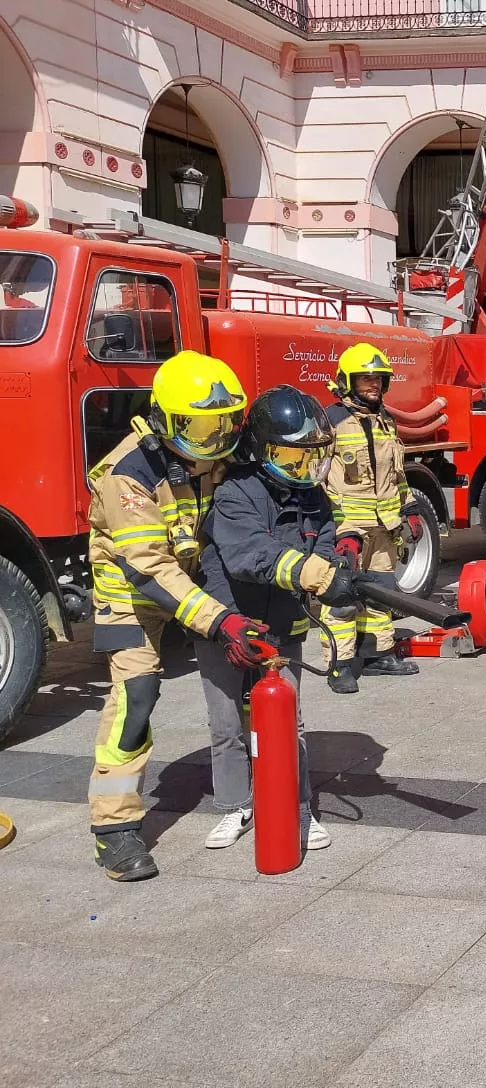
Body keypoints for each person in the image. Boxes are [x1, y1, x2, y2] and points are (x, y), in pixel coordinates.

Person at [84, 351, 268, 882]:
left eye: (223, 423)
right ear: (166, 419)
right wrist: (220, 620)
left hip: (194, 579)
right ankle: (114, 831)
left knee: (250, 675)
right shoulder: (127, 474)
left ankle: (258, 785)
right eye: (201, 426)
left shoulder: (213, 453)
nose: (215, 440)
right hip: (133, 590)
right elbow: (148, 569)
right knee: (135, 696)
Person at [197, 386, 359, 853]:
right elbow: (251, 554)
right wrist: (312, 571)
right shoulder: (235, 493)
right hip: (226, 620)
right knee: (227, 721)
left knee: (289, 721)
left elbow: (324, 539)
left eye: (309, 458)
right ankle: (235, 807)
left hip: (283, 621)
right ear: (262, 449)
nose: (302, 469)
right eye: (291, 458)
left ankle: (297, 807)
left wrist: (341, 556)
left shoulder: (311, 495)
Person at [320, 343, 425, 692]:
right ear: (347, 381)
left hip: (384, 529)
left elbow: (397, 476)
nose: (373, 386)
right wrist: (334, 527)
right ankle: (340, 665)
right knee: (341, 599)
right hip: (348, 531)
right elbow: (315, 481)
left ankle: (377, 654)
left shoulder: (386, 423)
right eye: (365, 379)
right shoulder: (329, 422)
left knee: (382, 594)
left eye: (378, 380)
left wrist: (408, 509)